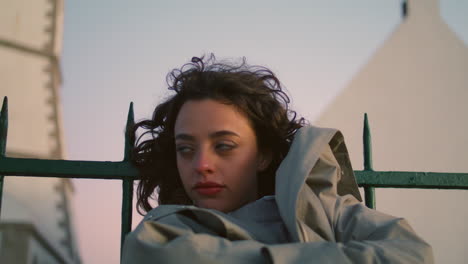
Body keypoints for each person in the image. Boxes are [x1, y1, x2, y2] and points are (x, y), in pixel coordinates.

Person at [122, 55, 433, 263]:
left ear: (264, 154)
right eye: (186, 149)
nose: (201, 164)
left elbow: (412, 254)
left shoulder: (325, 207)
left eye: (224, 146)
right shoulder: (162, 233)